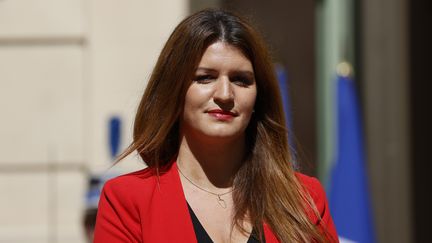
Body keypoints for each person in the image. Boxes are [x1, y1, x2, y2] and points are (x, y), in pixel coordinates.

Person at [94, 9, 338, 243]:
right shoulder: (127, 200)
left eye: (241, 80)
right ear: (174, 90)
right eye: (205, 78)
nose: (224, 94)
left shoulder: (304, 200)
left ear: (258, 97)